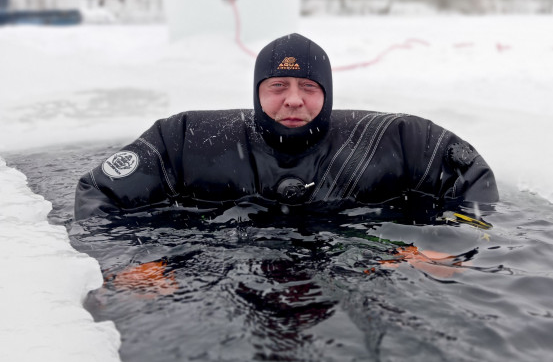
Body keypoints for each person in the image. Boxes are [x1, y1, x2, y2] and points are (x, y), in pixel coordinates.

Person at [74, 32, 498, 221]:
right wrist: (131, 262)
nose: (293, 99)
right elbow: (98, 194)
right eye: (278, 85)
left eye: (308, 87)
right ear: (258, 91)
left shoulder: (395, 140)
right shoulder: (187, 139)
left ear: (327, 94)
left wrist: (446, 247)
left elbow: (473, 181)